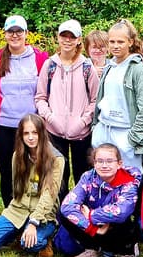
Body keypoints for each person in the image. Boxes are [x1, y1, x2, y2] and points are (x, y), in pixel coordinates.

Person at [0, 15, 50, 206]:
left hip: (32, 128)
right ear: (5, 34)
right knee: (8, 173)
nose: (15, 35)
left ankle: (33, 210)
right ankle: (11, 212)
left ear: (26, 33)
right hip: (4, 127)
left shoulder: (41, 59)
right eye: (11, 31)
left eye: (19, 31)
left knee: (34, 172)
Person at [0, 114, 63, 257]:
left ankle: (47, 236)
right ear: (21, 135)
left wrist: (34, 222)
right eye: (26, 133)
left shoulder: (56, 159)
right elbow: (16, 189)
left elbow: (49, 194)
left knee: (30, 245)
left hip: (43, 214)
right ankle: (17, 231)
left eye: (35, 133)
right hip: (18, 210)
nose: (31, 137)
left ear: (42, 133)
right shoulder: (17, 156)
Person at [54, 144, 141, 257]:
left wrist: (91, 215)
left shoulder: (129, 181)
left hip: (117, 227)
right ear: (94, 163)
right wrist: (93, 228)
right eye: (100, 161)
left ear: (119, 164)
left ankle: (126, 254)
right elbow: (67, 206)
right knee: (64, 214)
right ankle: (92, 249)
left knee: (124, 219)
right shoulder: (87, 177)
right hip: (95, 228)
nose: (104, 165)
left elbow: (121, 212)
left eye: (109, 161)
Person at [35, 19, 98, 191]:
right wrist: (50, 117)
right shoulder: (49, 65)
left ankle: (81, 206)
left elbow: (96, 100)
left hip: (82, 133)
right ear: (58, 37)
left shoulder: (87, 67)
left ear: (79, 40)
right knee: (58, 176)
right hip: (54, 131)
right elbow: (40, 97)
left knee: (83, 176)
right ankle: (60, 207)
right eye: (64, 36)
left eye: (72, 37)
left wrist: (83, 121)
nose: (67, 40)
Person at [90, 19, 143, 176]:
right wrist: (96, 129)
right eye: (112, 41)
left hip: (126, 134)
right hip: (104, 133)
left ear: (130, 42)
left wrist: (131, 140)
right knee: (103, 180)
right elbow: (101, 101)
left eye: (120, 42)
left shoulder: (138, 70)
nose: (115, 46)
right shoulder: (109, 67)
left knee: (128, 182)